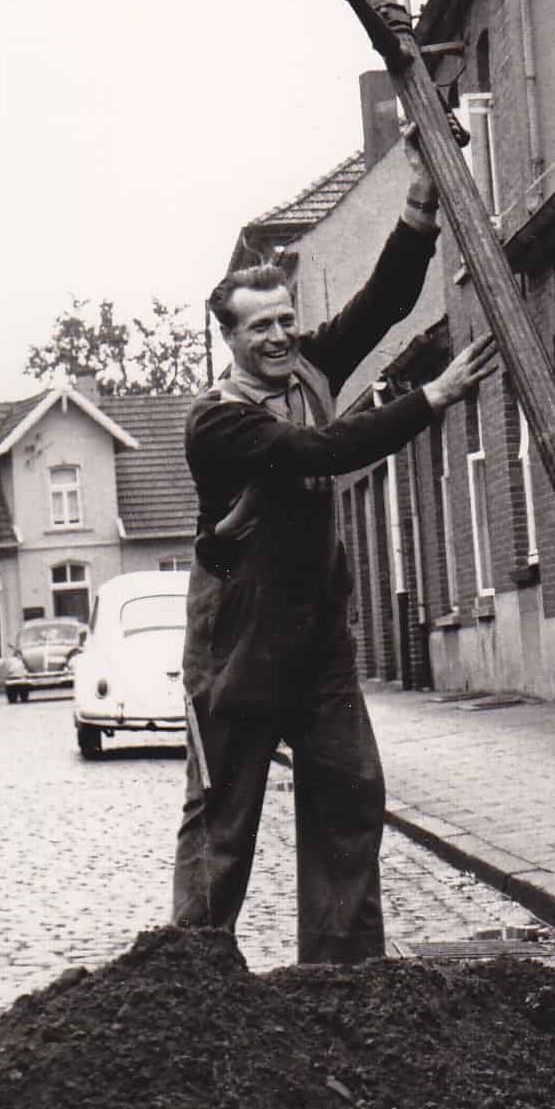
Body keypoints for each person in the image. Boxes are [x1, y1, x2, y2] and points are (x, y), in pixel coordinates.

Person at [172, 138, 498, 964]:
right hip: (237, 644)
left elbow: (385, 300)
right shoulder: (220, 421)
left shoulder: (310, 368)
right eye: (261, 327)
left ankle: (341, 973)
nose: (281, 336)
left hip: (317, 637)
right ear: (230, 338)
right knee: (223, 817)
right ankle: (192, 981)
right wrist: (431, 398)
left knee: (350, 791)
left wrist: (421, 200)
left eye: (286, 319)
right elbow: (318, 451)